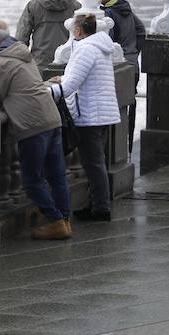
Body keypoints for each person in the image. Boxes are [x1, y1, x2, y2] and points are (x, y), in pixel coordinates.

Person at [0, 19, 72, 240]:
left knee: (30, 180)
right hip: (51, 118)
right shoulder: (21, 53)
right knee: (57, 175)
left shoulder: (0, 63)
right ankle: (65, 220)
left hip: (32, 126)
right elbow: (7, 89)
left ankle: (56, 222)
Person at [49, 13, 121, 222]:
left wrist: (44, 93)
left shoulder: (85, 49)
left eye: (73, 29)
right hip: (102, 112)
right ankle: (96, 204)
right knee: (97, 162)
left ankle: (100, 208)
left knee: (93, 163)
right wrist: (62, 77)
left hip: (91, 114)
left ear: (79, 31)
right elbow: (87, 75)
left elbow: (70, 87)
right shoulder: (99, 47)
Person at [99, 0, 146, 145]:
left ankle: (113, 154)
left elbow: (107, 44)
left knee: (113, 112)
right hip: (132, 66)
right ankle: (127, 149)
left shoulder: (108, 14)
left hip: (118, 69)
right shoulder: (126, 9)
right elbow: (141, 31)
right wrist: (133, 52)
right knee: (128, 109)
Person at [16, 0, 81, 69]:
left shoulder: (33, 5)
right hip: (69, 62)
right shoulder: (76, 6)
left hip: (41, 64)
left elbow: (21, 38)